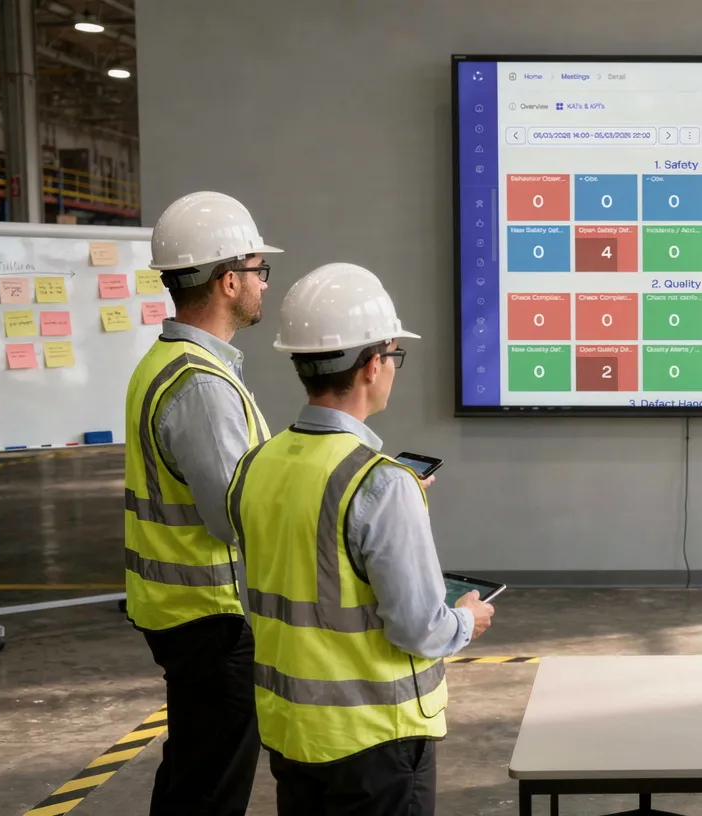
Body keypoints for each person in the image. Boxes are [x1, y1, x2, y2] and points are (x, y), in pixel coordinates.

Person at [227, 263, 495, 815]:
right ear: (374, 365)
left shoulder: (257, 464)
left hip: (294, 734)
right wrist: (466, 619)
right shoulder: (379, 484)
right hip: (377, 742)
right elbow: (420, 627)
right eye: (394, 356)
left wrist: (391, 497)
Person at [123, 191, 278, 816]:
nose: (264, 285)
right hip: (212, 615)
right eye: (259, 272)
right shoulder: (200, 384)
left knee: (194, 770)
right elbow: (232, 516)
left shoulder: (165, 363)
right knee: (211, 787)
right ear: (228, 279)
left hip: (182, 610)